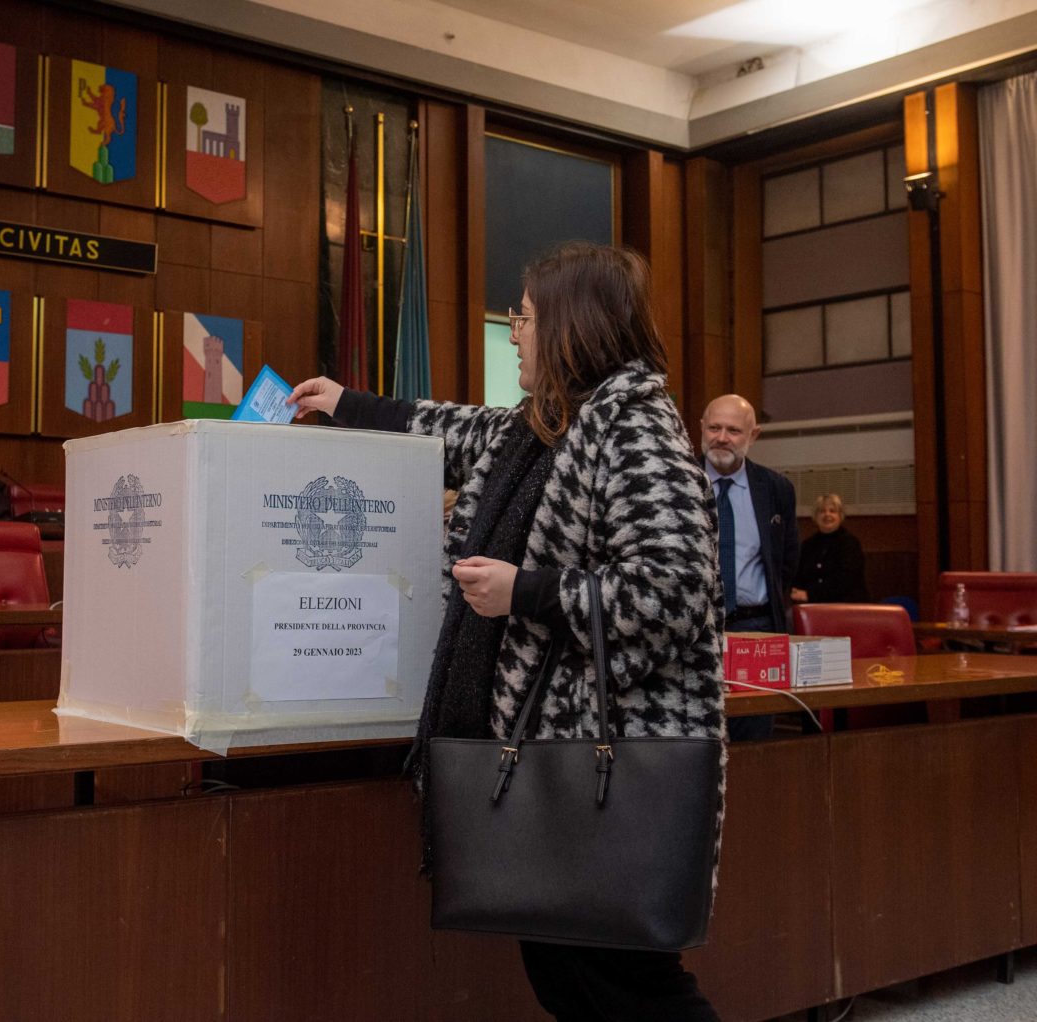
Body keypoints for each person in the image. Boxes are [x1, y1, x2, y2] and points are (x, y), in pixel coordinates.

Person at [288, 242, 725, 1022]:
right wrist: (347, 402)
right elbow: (452, 429)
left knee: (626, 986)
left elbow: (673, 589)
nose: (515, 334)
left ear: (569, 324)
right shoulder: (545, 425)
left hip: (609, 760)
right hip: (560, 761)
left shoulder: (635, 427)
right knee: (571, 977)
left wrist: (524, 591)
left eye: (523, 318)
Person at [700, 393, 798, 741]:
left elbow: (786, 562)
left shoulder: (776, 489)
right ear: (701, 428)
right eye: (714, 428)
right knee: (699, 738)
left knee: (754, 738)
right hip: (696, 630)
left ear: (753, 436)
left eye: (733, 430)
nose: (721, 438)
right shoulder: (677, 483)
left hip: (756, 630)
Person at [791, 493, 869, 604]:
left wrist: (810, 595)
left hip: (846, 605)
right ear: (815, 517)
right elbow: (797, 576)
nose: (827, 515)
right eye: (822, 511)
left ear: (840, 516)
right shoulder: (807, 545)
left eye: (832, 511)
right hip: (813, 605)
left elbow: (845, 580)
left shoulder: (850, 544)